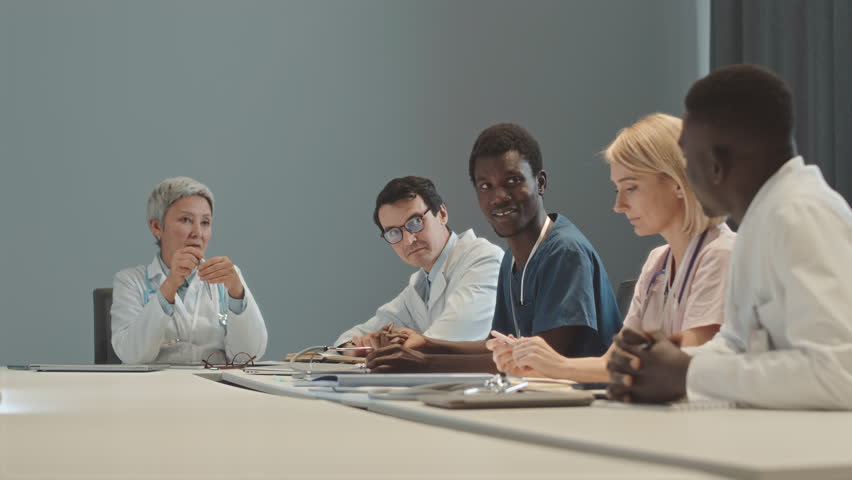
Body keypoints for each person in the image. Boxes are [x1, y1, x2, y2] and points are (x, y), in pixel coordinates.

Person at [607, 64, 852, 409]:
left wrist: (687, 372)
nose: (686, 174)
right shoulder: (761, 220)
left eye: (687, 157)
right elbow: (737, 345)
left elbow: (839, 374)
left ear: (716, 163)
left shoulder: (801, 214)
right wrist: (660, 362)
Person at [487, 114, 735, 381]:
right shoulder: (657, 262)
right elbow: (613, 362)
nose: (619, 206)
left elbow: (682, 363)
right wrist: (530, 365)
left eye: (631, 187)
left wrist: (557, 366)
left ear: (677, 181)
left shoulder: (720, 255)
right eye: (617, 189)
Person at [366, 123, 622, 372]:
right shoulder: (512, 259)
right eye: (486, 186)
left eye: (512, 180)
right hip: (537, 401)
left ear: (540, 182)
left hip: (583, 407)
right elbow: (498, 348)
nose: (498, 197)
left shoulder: (565, 252)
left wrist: (423, 363)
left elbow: (538, 364)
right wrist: (427, 344)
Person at [333, 176, 503, 352]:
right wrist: (357, 347)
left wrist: (388, 346)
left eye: (415, 222)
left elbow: (452, 338)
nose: (409, 240)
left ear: (442, 214)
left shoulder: (483, 259)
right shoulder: (421, 284)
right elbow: (347, 339)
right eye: (393, 232)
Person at [111, 177, 268, 364]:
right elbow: (132, 356)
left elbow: (249, 356)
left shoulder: (227, 277)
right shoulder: (129, 281)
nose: (197, 233)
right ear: (157, 227)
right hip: (154, 390)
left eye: (205, 223)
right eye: (186, 220)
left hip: (215, 389)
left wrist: (236, 293)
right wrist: (169, 285)